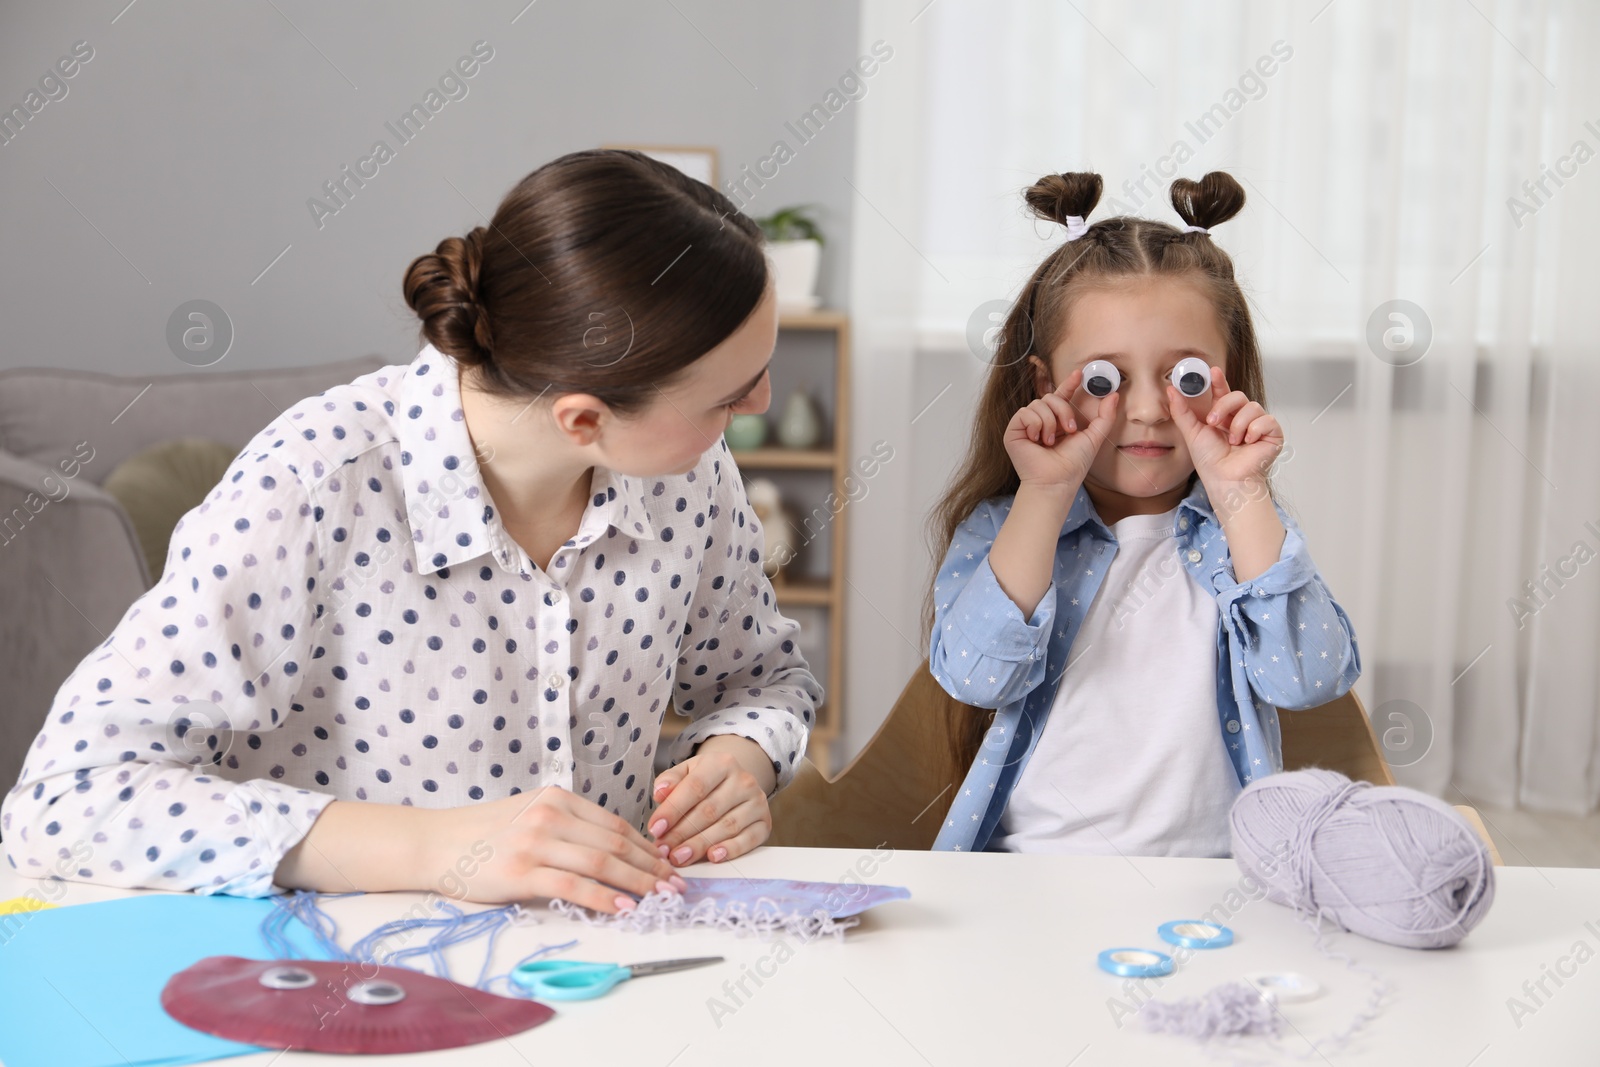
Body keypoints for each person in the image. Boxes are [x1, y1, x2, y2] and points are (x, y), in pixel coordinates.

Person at [1, 149, 823, 911]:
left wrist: (737, 759)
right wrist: (436, 849)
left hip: (594, 969)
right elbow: (68, 798)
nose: (757, 406)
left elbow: (764, 681)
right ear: (585, 419)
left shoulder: (690, 474)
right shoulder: (312, 484)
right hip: (332, 983)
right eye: (728, 396)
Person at [924, 171, 1360, 855]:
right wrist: (1044, 494)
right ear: (1046, 385)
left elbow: (1309, 678)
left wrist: (1242, 491)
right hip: (1031, 878)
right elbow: (978, 677)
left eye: (1185, 375)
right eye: (1104, 379)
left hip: (1218, 883)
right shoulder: (1003, 529)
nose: (1151, 409)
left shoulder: (1243, 536)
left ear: (1230, 375)